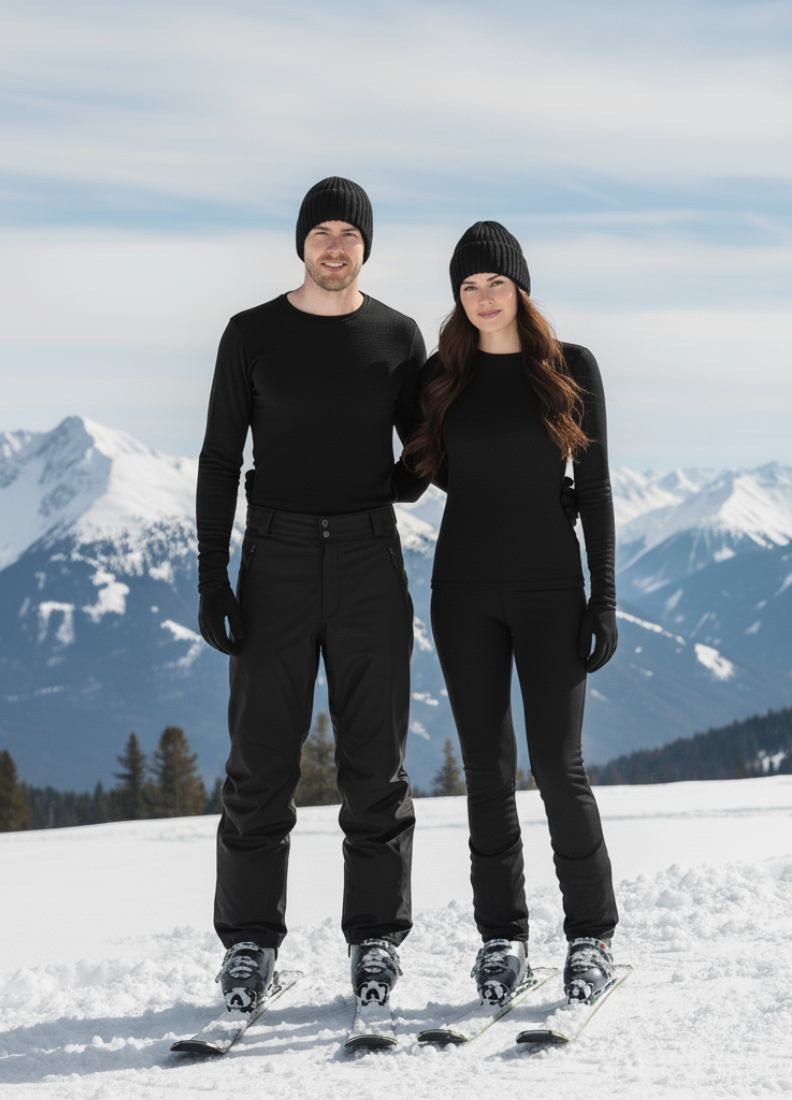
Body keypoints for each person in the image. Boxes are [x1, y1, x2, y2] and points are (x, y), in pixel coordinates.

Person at [195, 177, 427, 1015]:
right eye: (322, 231)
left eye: (349, 234)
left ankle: (374, 943)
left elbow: (428, 444)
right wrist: (211, 575)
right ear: (302, 242)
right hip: (275, 559)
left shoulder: (398, 337)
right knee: (259, 764)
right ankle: (250, 945)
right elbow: (221, 458)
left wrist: (396, 484)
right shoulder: (251, 334)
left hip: (369, 561)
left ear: (366, 246)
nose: (335, 246)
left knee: (377, 766)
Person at [403, 221, 619, 1008]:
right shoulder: (440, 378)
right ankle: (502, 940)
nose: (484, 297)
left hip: (550, 588)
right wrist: (301, 475)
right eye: (469, 286)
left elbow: (593, 491)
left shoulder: (570, 369)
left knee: (559, 767)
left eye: (496, 282)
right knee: (488, 773)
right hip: (461, 591)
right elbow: (410, 474)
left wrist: (604, 597)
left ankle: (590, 935)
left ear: (521, 287)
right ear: (457, 298)